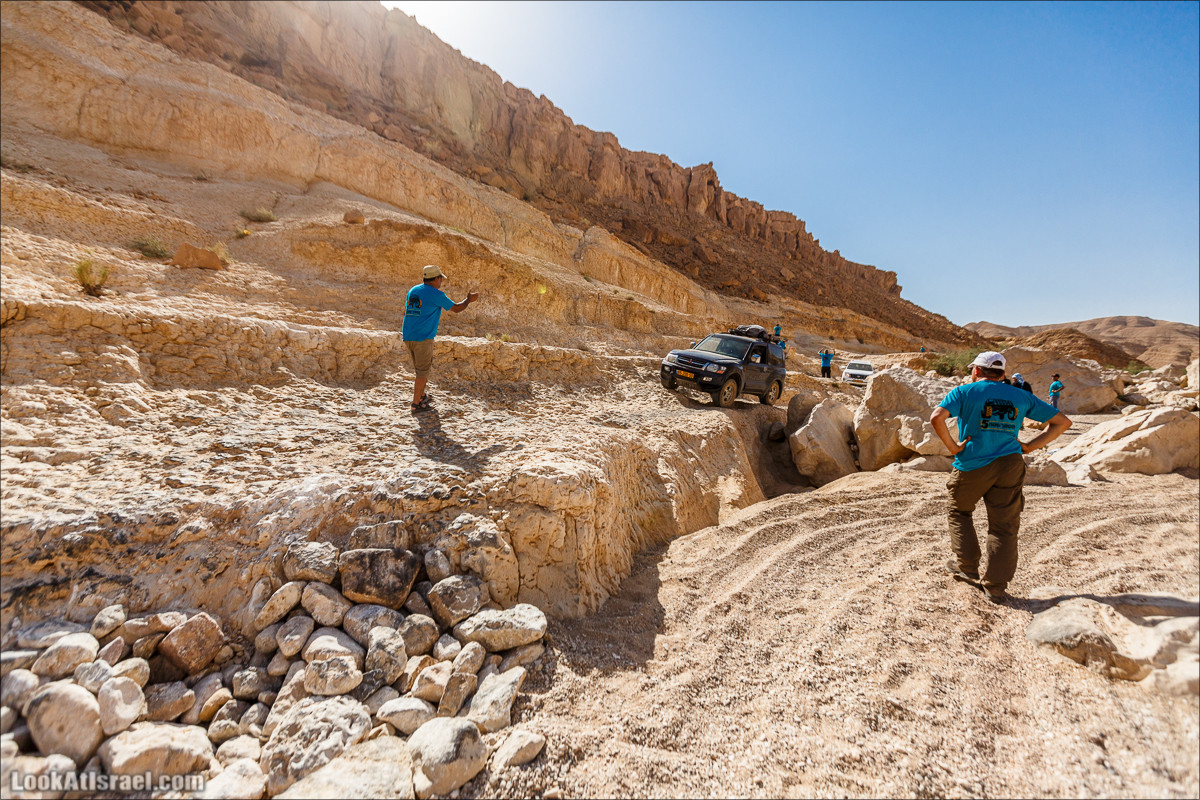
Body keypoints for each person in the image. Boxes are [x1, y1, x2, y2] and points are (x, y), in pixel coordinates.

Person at [930, 351, 1071, 604]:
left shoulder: (963, 392)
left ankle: (967, 567)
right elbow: (1062, 422)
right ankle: (995, 587)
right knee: (1004, 526)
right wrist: (1030, 446)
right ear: (1003, 374)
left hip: (972, 464)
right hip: (1010, 464)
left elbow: (936, 417)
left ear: (976, 371)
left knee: (959, 511)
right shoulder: (1020, 395)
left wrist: (953, 447)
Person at [402, 264, 479, 412]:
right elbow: (456, 308)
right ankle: (416, 404)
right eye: (440, 279)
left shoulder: (413, 290)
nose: (441, 282)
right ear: (436, 278)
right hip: (423, 338)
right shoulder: (436, 294)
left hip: (408, 335)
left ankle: (422, 395)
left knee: (420, 369)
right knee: (422, 372)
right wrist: (468, 300)